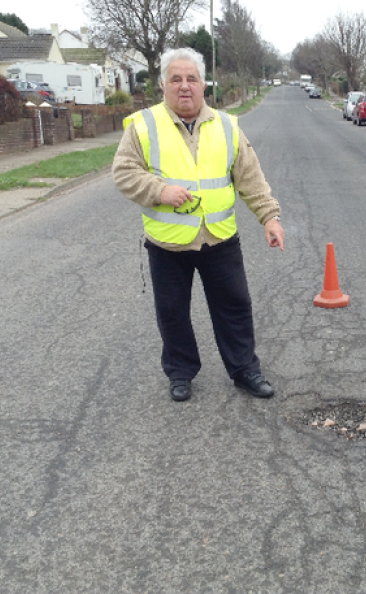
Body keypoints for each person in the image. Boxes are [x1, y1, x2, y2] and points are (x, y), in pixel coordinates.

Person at [113, 47, 284, 403]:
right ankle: (180, 372)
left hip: (220, 240)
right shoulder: (143, 126)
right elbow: (124, 174)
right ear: (163, 84)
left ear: (204, 84)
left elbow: (250, 177)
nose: (184, 86)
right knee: (172, 313)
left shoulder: (226, 125)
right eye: (176, 79)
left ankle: (244, 370)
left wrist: (269, 217)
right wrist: (160, 190)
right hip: (167, 244)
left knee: (235, 307)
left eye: (191, 78)